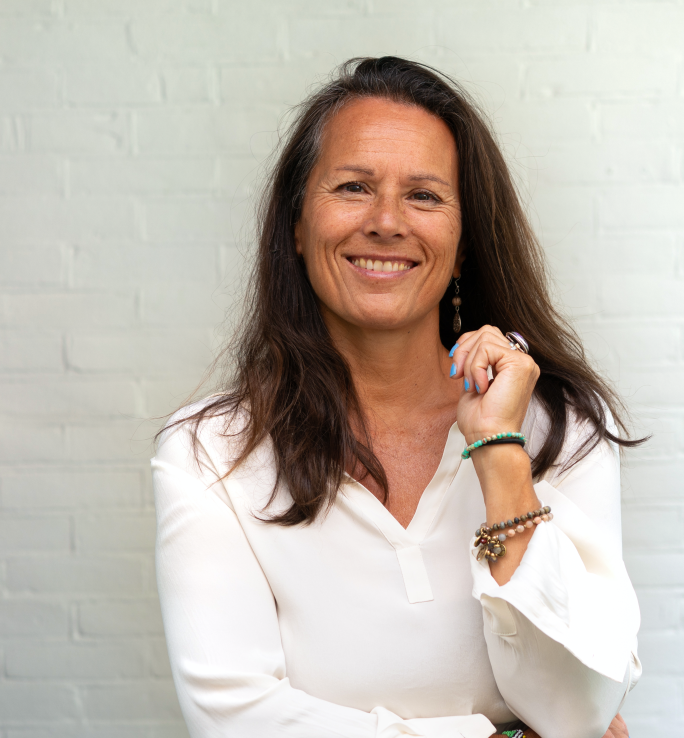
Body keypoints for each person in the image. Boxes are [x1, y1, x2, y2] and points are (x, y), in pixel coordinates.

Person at [152, 56, 643, 738]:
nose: (386, 221)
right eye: (353, 187)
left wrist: (499, 451)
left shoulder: (565, 427)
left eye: (425, 196)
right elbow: (234, 717)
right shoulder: (210, 452)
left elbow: (577, 710)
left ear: (464, 241)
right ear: (296, 226)